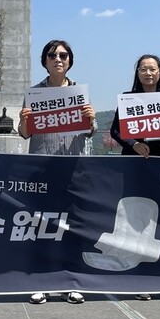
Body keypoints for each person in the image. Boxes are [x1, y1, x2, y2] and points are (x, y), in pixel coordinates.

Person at [17, 39, 96, 305]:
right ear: (45, 61)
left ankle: (71, 281)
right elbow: (25, 133)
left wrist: (91, 118)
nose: (58, 59)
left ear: (70, 60)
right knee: (42, 224)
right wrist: (23, 120)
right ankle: (40, 280)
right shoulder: (34, 94)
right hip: (43, 168)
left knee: (73, 226)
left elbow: (89, 130)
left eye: (63, 55)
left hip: (74, 168)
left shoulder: (79, 92)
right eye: (52, 55)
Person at [111, 54, 160, 302]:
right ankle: (138, 275)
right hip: (135, 166)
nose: (148, 73)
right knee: (136, 219)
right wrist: (133, 144)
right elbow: (116, 129)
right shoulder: (128, 99)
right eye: (143, 69)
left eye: (152, 69)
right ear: (138, 73)